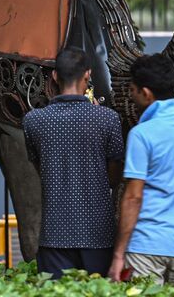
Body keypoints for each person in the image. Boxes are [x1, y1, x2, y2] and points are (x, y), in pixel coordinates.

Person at [108, 53, 174, 288]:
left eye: (132, 90)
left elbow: (133, 197)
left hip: (146, 246)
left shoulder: (142, 134)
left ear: (146, 93)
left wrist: (118, 254)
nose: (130, 96)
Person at [23, 47, 124, 279]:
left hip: (54, 234)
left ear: (55, 76)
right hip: (98, 234)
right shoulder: (108, 119)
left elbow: (42, 171)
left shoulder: (33, 121)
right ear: (88, 74)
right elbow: (114, 177)